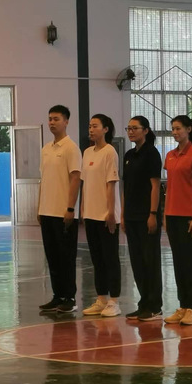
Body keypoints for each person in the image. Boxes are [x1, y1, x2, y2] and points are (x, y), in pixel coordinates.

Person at [37, 105, 82, 313]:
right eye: (50, 119)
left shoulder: (71, 148)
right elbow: (43, 179)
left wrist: (70, 208)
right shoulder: (46, 149)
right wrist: (39, 207)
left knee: (66, 256)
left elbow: (75, 179)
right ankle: (58, 295)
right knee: (52, 256)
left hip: (63, 212)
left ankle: (69, 297)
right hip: (47, 211)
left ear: (66, 121)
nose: (52, 122)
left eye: (56, 119)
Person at [163, 115, 192, 326]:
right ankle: (183, 304)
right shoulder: (170, 155)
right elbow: (169, 187)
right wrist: (165, 214)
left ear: (188, 129)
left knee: (191, 262)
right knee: (178, 262)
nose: (175, 132)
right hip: (172, 215)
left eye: (178, 128)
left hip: (189, 216)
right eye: (173, 129)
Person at [122, 116, 163, 321]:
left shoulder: (152, 154)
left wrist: (153, 214)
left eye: (135, 128)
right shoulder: (129, 155)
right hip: (131, 216)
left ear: (145, 130)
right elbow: (126, 187)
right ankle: (144, 302)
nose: (131, 132)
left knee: (150, 260)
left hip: (146, 215)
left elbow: (155, 186)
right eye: (128, 128)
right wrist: (123, 214)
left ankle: (154, 305)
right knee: (137, 261)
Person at [81, 114, 122, 317]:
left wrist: (111, 213)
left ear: (106, 129)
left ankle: (114, 300)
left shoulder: (109, 152)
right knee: (96, 259)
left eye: (95, 126)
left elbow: (111, 184)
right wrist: (83, 209)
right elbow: (85, 183)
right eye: (90, 126)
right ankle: (101, 299)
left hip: (106, 215)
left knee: (110, 258)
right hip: (90, 214)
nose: (91, 129)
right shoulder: (87, 152)